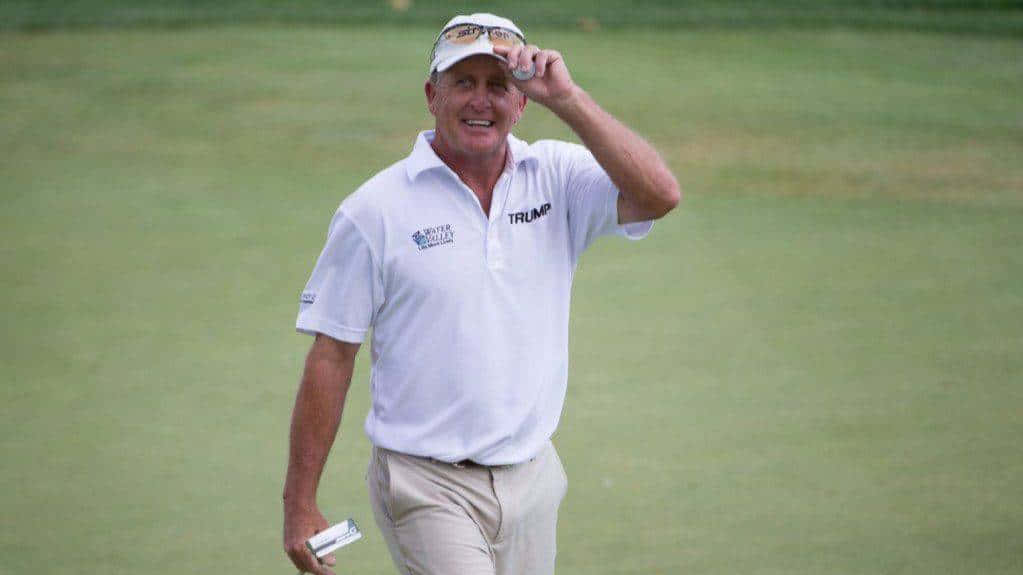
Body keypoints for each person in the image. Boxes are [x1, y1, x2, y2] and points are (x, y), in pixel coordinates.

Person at [282, 12, 680, 575]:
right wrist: (299, 505)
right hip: (425, 484)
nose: (481, 101)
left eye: (498, 86)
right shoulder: (375, 211)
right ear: (431, 94)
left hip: (532, 476)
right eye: (463, 83)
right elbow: (331, 355)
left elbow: (659, 194)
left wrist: (566, 99)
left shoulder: (557, 177)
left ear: (522, 103)